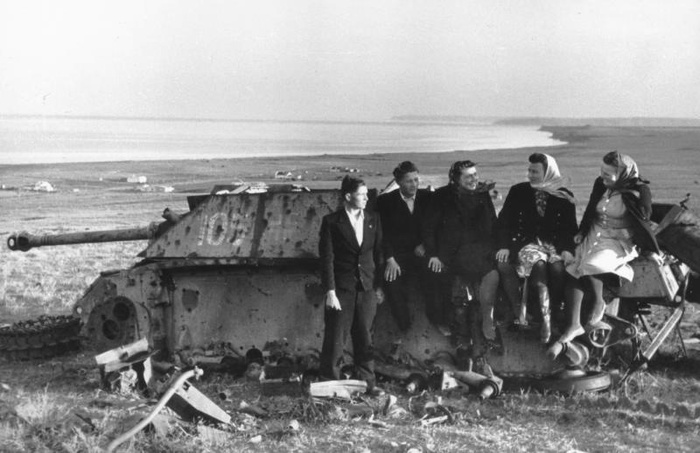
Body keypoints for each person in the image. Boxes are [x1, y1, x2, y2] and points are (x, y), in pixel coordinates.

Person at [553, 151, 661, 349]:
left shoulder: (639, 190)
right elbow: (591, 210)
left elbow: (643, 220)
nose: (602, 176)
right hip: (595, 233)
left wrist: (649, 248)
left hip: (619, 239)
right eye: (601, 171)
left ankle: (598, 304)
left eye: (608, 174)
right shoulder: (600, 184)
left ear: (623, 175)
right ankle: (573, 325)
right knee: (572, 268)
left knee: (592, 264)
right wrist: (582, 232)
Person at [495, 153, 577, 343]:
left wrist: (567, 250)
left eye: (535, 171)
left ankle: (554, 311)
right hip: (526, 244)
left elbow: (569, 228)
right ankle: (545, 322)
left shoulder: (563, 196)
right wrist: (504, 246)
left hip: (553, 246)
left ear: (548, 172)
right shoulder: (518, 191)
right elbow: (504, 222)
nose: (530, 175)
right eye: (529, 171)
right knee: (538, 266)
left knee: (558, 269)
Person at [319, 175, 385, 396]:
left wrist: (378, 286)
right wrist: (330, 292)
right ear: (348, 196)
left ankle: (367, 384)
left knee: (365, 337)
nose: (366, 198)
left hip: (367, 288)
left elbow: (378, 254)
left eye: (367, 194)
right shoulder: (331, 222)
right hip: (341, 290)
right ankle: (329, 385)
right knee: (336, 338)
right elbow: (327, 259)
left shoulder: (373, 219)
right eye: (361, 194)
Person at [423, 160, 501, 347]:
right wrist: (433, 255)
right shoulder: (441, 196)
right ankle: (464, 337)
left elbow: (493, 223)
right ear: (456, 179)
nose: (474, 179)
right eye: (468, 176)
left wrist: (498, 248)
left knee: (492, 276)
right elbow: (429, 227)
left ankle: (487, 323)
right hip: (452, 253)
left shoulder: (482, 194)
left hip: (480, 249)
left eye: (475, 175)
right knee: (459, 290)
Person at [376, 161, 432, 331]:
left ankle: (437, 319)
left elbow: (436, 226)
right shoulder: (385, 202)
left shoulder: (428, 198)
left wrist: (426, 244)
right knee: (392, 282)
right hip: (397, 256)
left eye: (416, 180)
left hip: (422, 253)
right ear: (398, 182)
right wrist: (390, 259)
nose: (414, 184)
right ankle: (404, 327)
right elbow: (382, 233)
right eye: (409, 181)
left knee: (436, 276)